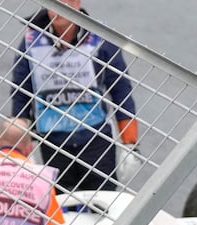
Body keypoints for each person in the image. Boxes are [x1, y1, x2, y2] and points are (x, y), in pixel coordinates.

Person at [10, 0, 139, 191]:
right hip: (53, 142)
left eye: (65, 2)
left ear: (77, 3)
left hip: (95, 140)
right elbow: (21, 93)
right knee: (61, 210)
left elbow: (121, 90)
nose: (58, 8)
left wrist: (130, 144)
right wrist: (21, 146)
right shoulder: (32, 42)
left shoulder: (99, 39)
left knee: (102, 208)